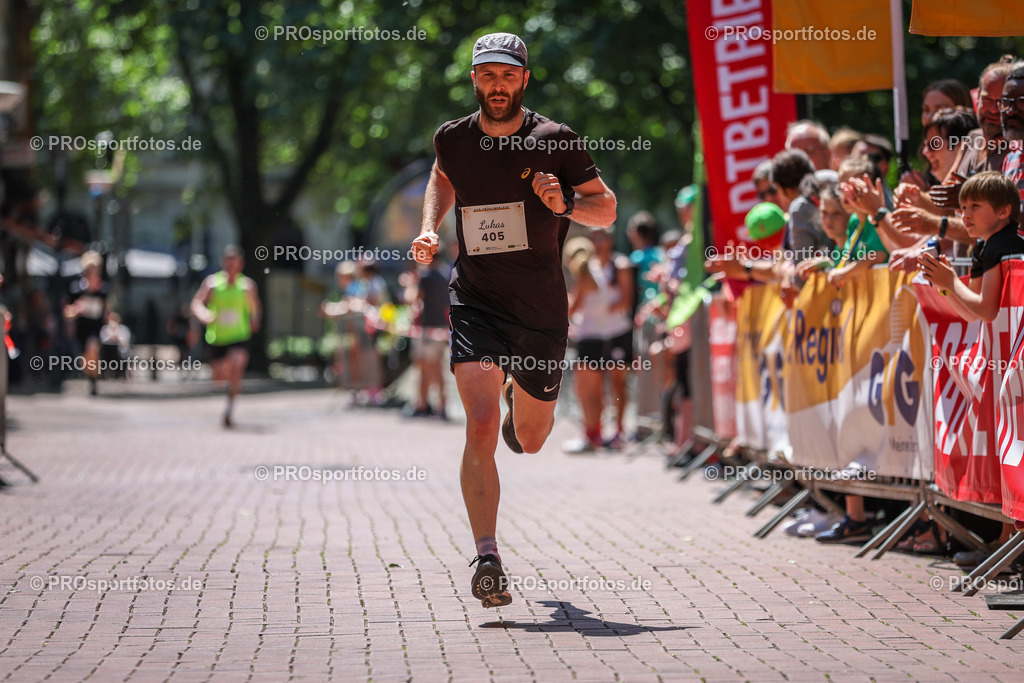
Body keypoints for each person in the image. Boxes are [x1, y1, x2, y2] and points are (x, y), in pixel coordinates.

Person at [410, 32, 616, 609]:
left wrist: (565, 204)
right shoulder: (453, 137)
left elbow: (607, 207)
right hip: (475, 299)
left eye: (508, 75)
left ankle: (515, 403)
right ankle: (487, 555)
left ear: (524, 79)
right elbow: (443, 175)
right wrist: (431, 225)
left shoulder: (555, 140)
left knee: (530, 438)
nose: (497, 85)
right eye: (487, 74)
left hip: (540, 311)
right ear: (474, 79)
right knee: (476, 425)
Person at [920, 171, 1024, 322]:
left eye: (975, 206)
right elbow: (972, 314)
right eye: (963, 208)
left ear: (1003, 211)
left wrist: (951, 281)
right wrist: (944, 286)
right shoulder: (983, 246)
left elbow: (987, 311)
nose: (965, 215)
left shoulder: (1001, 244)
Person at [565, 226, 632, 452]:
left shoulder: (616, 265)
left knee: (610, 386)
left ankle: (610, 433)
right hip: (597, 335)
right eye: (593, 237)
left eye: (601, 237)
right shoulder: (590, 268)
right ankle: (597, 434)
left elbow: (625, 300)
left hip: (612, 333)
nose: (597, 242)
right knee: (595, 390)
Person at [191, 245, 261, 427]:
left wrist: (254, 319)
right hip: (217, 338)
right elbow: (196, 303)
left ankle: (229, 410)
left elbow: (255, 308)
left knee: (237, 369)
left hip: (239, 335)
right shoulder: (212, 283)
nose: (231, 267)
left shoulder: (247, 286)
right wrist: (203, 314)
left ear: (241, 264)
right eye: (228, 263)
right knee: (219, 379)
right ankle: (225, 374)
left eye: (234, 263)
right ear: (223, 263)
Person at [401, 259, 450, 419]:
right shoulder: (444, 275)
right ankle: (429, 404)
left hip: (427, 328)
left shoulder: (423, 277)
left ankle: (428, 405)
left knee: (428, 368)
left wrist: (409, 283)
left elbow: (410, 298)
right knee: (433, 367)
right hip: (439, 327)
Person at [63, 250, 108, 396]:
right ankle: (91, 376)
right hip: (81, 328)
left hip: (95, 328)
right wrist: (77, 310)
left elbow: (106, 312)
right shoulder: (76, 290)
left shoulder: (102, 291)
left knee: (92, 348)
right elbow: (67, 312)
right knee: (86, 359)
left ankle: (93, 382)